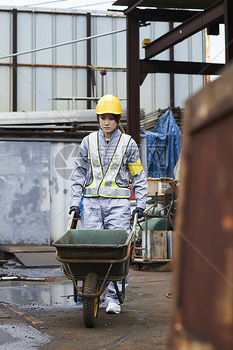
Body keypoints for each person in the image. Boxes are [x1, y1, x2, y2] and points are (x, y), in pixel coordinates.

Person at [69, 94, 148, 315]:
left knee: (116, 252)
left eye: (111, 118)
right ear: (98, 119)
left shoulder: (128, 144)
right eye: (103, 117)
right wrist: (75, 203)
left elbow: (139, 177)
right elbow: (78, 175)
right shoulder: (88, 142)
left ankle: (113, 298)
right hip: (92, 205)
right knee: (91, 252)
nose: (107, 122)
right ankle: (91, 293)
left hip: (118, 206)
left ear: (117, 119)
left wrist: (140, 204)